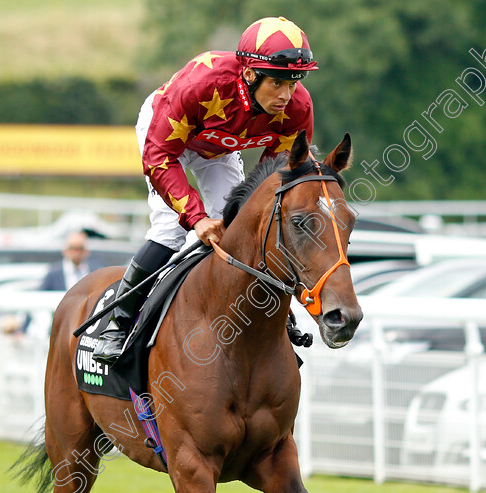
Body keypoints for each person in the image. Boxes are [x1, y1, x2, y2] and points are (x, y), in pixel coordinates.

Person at [93, 16, 318, 365]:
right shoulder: (202, 83)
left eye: (294, 82)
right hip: (166, 138)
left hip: (219, 147)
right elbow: (159, 157)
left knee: (242, 226)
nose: (286, 96)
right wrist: (196, 219)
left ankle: (270, 314)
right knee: (171, 228)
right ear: (249, 74)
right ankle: (118, 321)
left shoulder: (297, 109)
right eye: (277, 83)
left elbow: (274, 178)